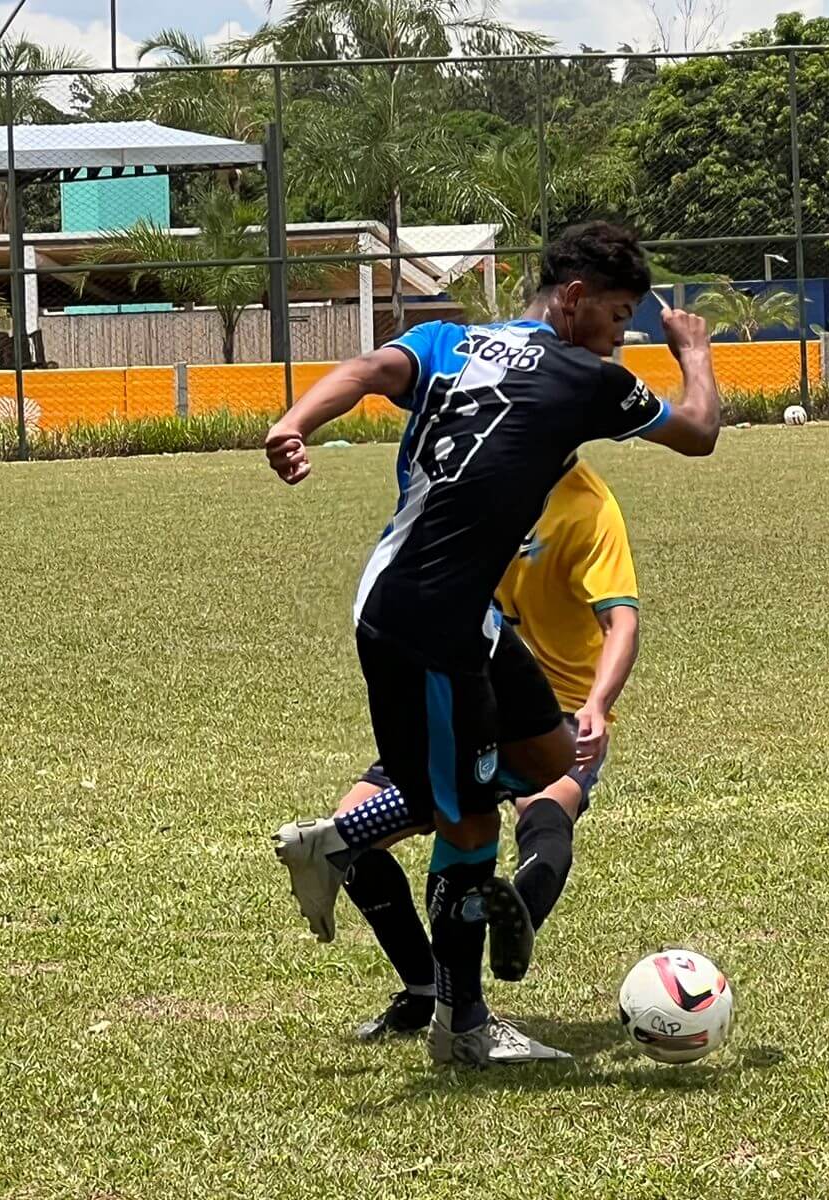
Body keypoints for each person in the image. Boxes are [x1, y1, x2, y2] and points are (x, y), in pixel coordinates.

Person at [264, 222, 720, 1067]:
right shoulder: (587, 376)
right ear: (575, 300)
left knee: (552, 761)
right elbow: (698, 430)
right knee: (471, 821)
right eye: (620, 316)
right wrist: (691, 350)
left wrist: (294, 422)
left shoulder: (450, 341)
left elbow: (367, 371)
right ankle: (462, 1027)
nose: (623, 335)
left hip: (456, 608)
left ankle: (344, 841)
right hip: (426, 616)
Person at [291, 458, 643, 1043]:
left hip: (560, 711)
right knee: (359, 838)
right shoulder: (478, 482)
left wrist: (599, 706)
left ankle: (516, 912)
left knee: (544, 810)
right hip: (466, 689)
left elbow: (621, 624)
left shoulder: (589, 508)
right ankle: (428, 988)